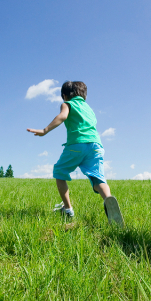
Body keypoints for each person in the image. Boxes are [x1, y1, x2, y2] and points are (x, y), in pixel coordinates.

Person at [27, 81, 123, 227]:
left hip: (77, 144)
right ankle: (109, 200)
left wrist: (45, 130)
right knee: (98, 180)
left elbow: (63, 116)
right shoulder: (89, 109)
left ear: (64, 96)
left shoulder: (68, 104)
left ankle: (68, 209)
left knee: (59, 172)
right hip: (96, 146)